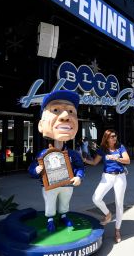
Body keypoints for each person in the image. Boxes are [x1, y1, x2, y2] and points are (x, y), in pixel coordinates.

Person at [28, 90, 85, 233]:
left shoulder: (72, 154)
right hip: (50, 186)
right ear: (41, 125)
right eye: (55, 110)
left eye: (71, 111)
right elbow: (32, 168)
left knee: (65, 202)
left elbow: (79, 167)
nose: (65, 116)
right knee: (50, 203)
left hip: (67, 184)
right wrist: (36, 170)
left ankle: (64, 216)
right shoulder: (43, 154)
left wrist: (78, 176)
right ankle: (50, 220)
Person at [84, 129, 131, 243]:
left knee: (119, 204)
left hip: (120, 177)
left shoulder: (120, 147)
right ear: (107, 138)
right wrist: (84, 159)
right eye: (111, 136)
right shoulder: (103, 149)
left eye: (115, 136)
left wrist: (117, 158)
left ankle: (117, 230)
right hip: (107, 177)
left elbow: (128, 160)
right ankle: (108, 214)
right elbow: (95, 162)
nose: (114, 138)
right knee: (96, 198)